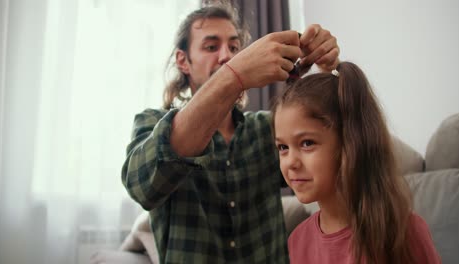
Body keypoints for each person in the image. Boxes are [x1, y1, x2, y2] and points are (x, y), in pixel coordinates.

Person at [121, 3, 339, 263]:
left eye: (235, 48)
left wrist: (329, 76)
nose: (227, 56)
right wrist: (235, 75)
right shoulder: (152, 122)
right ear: (183, 61)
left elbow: (340, 159)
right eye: (212, 47)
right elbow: (142, 187)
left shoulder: (266, 129)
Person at [272, 61, 441, 263]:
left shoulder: (405, 232)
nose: (291, 162)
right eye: (283, 147)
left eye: (307, 143)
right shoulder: (296, 242)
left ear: (350, 143)